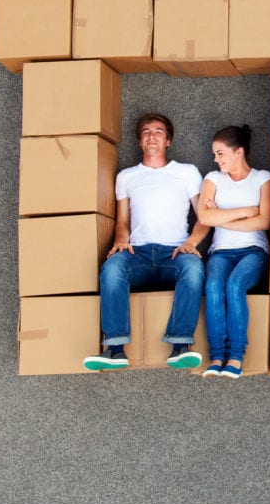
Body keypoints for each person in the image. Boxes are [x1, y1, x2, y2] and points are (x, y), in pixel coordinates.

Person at [83, 113, 208, 371]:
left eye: (159, 131)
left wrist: (192, 243)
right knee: (113, 268)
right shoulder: (126, 176)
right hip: (137, 254)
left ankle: (181, 346)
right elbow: (122, 220)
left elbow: (205, 218)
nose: (152, 135)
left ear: (168, 141)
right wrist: (120, 241)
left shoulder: (187, 172)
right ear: (140, 141)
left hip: (173, 254)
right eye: (147, 132)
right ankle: (115, 349)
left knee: (194, 269)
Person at [194, 125, 270, 378]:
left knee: (234, 285)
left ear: (238, 152)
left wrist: (221, 217)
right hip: (220, 251)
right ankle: (217, 355)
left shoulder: (263, 178)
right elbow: (204, 217)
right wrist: (246, 210)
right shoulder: (213, 179)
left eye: (220, 154)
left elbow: (264, 222)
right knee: (213, 286)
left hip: (253, 251)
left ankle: (236, 357)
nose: (216, 160)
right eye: (215, 154)